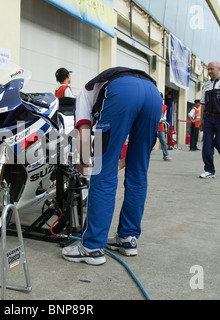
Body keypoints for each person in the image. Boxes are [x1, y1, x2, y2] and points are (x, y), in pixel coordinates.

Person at [61, 67, 162, 265]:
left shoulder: (83, 95)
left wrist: (83, 162)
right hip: (153, 94)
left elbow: (83, 130)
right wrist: (126, 161)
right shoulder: (100, 87)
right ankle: (128, 239)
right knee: (138, 172)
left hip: (122, 91)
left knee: (103, 173)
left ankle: (91, 247)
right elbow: (141, 150)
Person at [158, 94, 172, 160]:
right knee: (150, 142)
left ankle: (166, 155)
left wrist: (162, 120)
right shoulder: (153, 105)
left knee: (163, 141)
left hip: (160, 127)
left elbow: (164, 117)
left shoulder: (164, 107)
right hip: (153, 126)